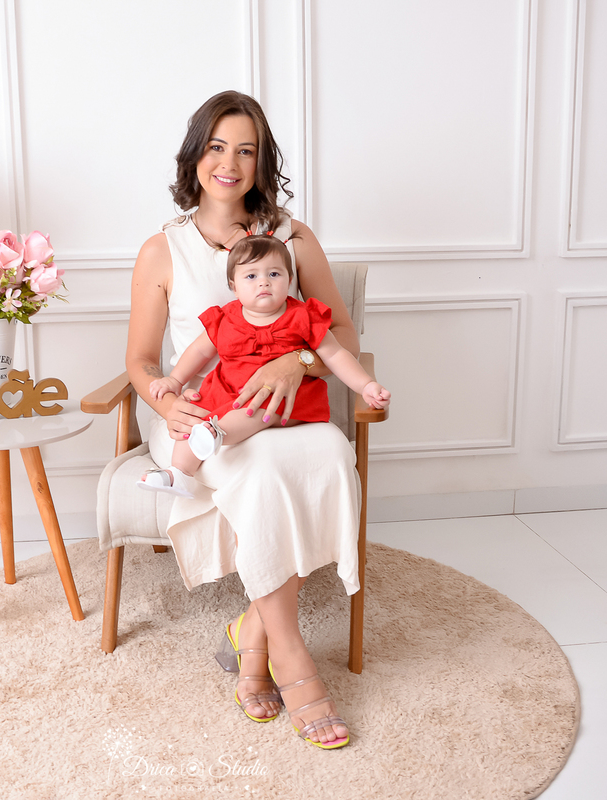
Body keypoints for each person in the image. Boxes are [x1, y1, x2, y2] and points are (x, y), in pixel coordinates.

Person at [126, 90, 389, 749]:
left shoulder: (292, 239)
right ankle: (292, 658)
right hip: (199, 413)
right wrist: (165, 400)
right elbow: (138, 359)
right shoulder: (162, 250)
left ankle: (251, 640)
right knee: (262, 474)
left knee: (329, 449)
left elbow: (342, 334)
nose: (230, 163)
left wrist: (298, 364)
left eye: (246, 150)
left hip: (284, 409)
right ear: (195, 157)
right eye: (217, 147)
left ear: (262, 160)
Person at [136, 233, 390, 499]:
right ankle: (180, 474)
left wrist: (366, 385)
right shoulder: (226, 318)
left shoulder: (303, 316)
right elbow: (199, 350)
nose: (264, 282)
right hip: (227, 390)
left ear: (289, 281)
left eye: (274, 274)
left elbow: (337, 355)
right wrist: (175, 381)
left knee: (255, 408)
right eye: (251, 276)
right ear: (234, 286)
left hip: (284, 400)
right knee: (195, 416)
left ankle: (218, 433)